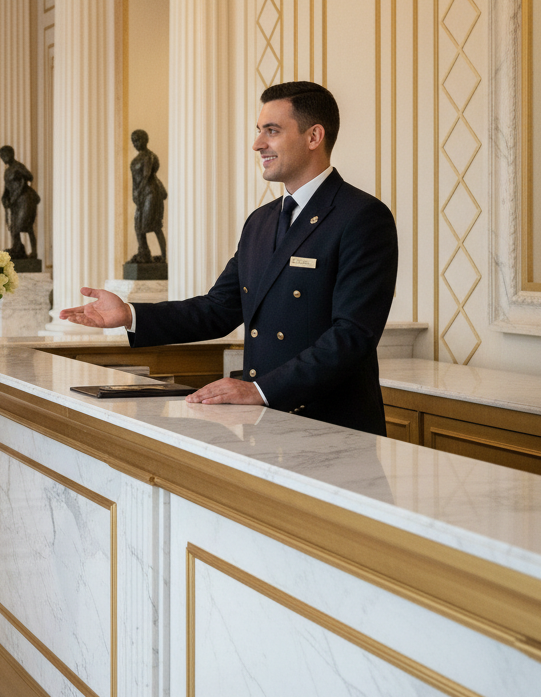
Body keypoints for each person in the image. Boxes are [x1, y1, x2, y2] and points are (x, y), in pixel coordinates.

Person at [60, 81, 399, 436]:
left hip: (332, 428)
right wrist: (131, 314)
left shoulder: (361, 216)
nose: (257, 144)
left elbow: (353, 336)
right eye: (259, 131)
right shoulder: (261, 221)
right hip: (264, 424)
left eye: (272, 131)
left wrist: (259, 390)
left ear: (314, 136)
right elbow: (219, 308)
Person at [128, 128, 167, 264]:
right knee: (138, 226)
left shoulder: (149, 156)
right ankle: (144, 253)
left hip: (151, 192)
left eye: (137, 140)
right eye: (133, 141)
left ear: (144, 140)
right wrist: (135, 193)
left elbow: (146, 176)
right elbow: (134, 179)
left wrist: (139, 191)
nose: (135, 143)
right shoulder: (135, 160)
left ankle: (163, 257)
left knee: (153, 225)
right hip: (140, 194)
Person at [0, 145, 40, 260]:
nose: (3, 158)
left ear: (11, 154)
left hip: (24, 199)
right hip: (14, 201)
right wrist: (4, 198)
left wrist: (21, 174)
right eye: (1, 156)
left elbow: (30, 177)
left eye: (5, 155)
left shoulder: (18, 166)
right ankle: (17, 248)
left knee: (25, 226)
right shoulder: (7, 172)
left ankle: (34, 252)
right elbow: (7, 188)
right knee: (14, 227)